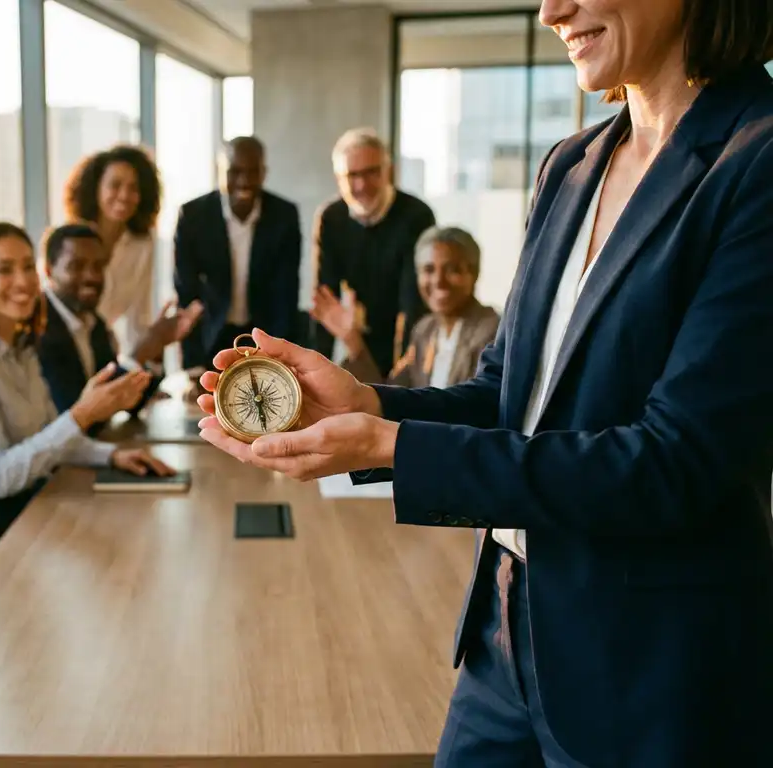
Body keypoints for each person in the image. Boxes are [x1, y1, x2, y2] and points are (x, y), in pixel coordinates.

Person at [197, 0, 773, 764]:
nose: (550, 10)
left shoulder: (757, 161)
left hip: (648, 670)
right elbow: (509, 393)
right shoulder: (571, 164)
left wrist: (396, 448)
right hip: (504, 635)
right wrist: (368, 404)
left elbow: (673, 463)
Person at [0, 222, 174, 603]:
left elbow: (46, 437)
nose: (22, 280)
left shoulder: (20, 349)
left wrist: (111, 455)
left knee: (128, 558)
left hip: (20, 510)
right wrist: (82, 415)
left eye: (27, 266)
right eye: (4, 270)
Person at [174, 136, 302, 399]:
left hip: (262, 332)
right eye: (234, 172)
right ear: (219, 172)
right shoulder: (193, 216)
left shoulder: (284, 216)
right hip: (211, 335)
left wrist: (279, 358)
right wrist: (193, 366)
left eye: (252, 172)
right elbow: (187, 295)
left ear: (264, 173)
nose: (244, 181)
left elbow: (285, 294)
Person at [38, 223, 197, 431]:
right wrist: (142, 351)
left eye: (98, 266)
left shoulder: (94, 324)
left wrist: (157, 349)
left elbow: (128, 403)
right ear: (49, 270)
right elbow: (80, 416)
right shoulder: (39, 326)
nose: (91, 277)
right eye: (76, 266)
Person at [311, 128, 435, 380]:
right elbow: (326, 299)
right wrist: (315, 370)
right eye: (352, 175)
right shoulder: (331, 217)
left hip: (409, 334)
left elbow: (412, 304)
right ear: (338, 178)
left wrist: (401, 377)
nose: (362, 185)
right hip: (360, 332)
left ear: (388, 171)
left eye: (371, 172)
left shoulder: (417, 215)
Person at [63, 145, 201, 364]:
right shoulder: (70, 242)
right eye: (115, 185)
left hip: (104, 353)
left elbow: (138, 317)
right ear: (96, 188)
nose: (125, 195)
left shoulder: (143, 243)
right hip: (65, 348)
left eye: (134, 188)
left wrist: (142, 374)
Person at [311, 225, 499, 386]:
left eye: (452, 270)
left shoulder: (492, 332)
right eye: (428, 270)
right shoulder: (425, 330)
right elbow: (391, 395)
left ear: (474, 273)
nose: (438, 281)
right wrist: (352, 339)